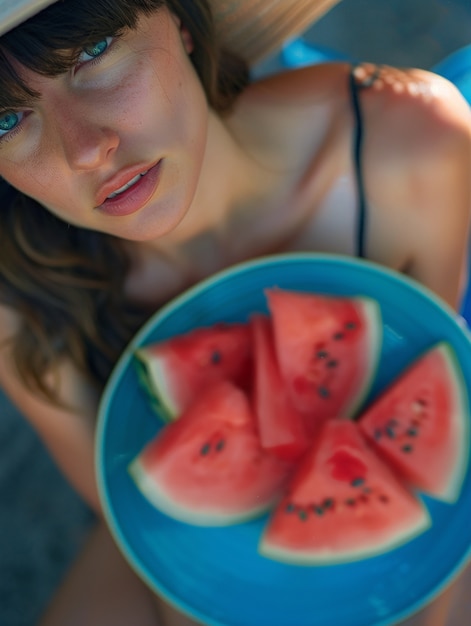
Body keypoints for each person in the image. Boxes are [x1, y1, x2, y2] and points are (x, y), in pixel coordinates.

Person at [0, 0, 470, 625]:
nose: (86, 150)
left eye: (93, 53)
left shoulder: (409, 147)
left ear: (183, 23)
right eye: (6, 120)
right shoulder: (17, 298)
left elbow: (423, 417)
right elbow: (158, 536)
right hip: (189, 546)